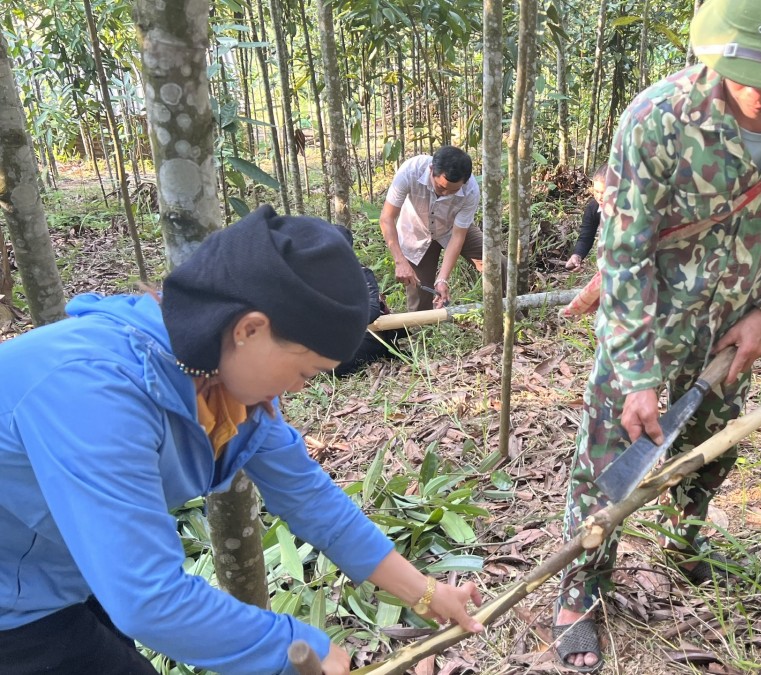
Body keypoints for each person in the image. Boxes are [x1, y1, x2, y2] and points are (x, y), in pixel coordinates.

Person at [0, 206, 484, 675]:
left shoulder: (227, 390)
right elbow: (150, 600)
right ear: (249, 329)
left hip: (69, 572)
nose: (300, 388)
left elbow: (313, 500)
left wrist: (426, 593)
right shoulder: (95, 396)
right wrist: (295, 645)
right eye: (305, 370)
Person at [555, 0, 761, 670]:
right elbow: (627, 254)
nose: (754, 92)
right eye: (741, 71)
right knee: (608, 460)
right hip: (647, 321)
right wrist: (637, 374)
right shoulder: (657, 120)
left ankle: (686, 538)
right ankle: (582, 584)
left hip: (736, 329)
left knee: (713, 443)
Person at [380, 145, 483, 312]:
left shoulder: (471, 190)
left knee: (496, 265)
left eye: (453, 191)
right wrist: (400, 261)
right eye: (441, 187)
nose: (446, 194)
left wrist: (443, 279)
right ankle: (423, 336)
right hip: (416, 232)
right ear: (431, 170)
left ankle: (515, 316)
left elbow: (458, 236)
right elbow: (386, 218)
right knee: (419, 300)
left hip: (450, 228)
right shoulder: (411, 170)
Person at [331, 224, 407, 376]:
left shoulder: (362, 274)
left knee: (337, 365)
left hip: (368, 333)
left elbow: (371, 309)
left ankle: (381, 352)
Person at [564, 168, 606, 270]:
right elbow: (586, 236)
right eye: (596, 191)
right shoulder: (593, 207)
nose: (599, 197)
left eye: (604, 192)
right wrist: (577, 255)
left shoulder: (629, 209)